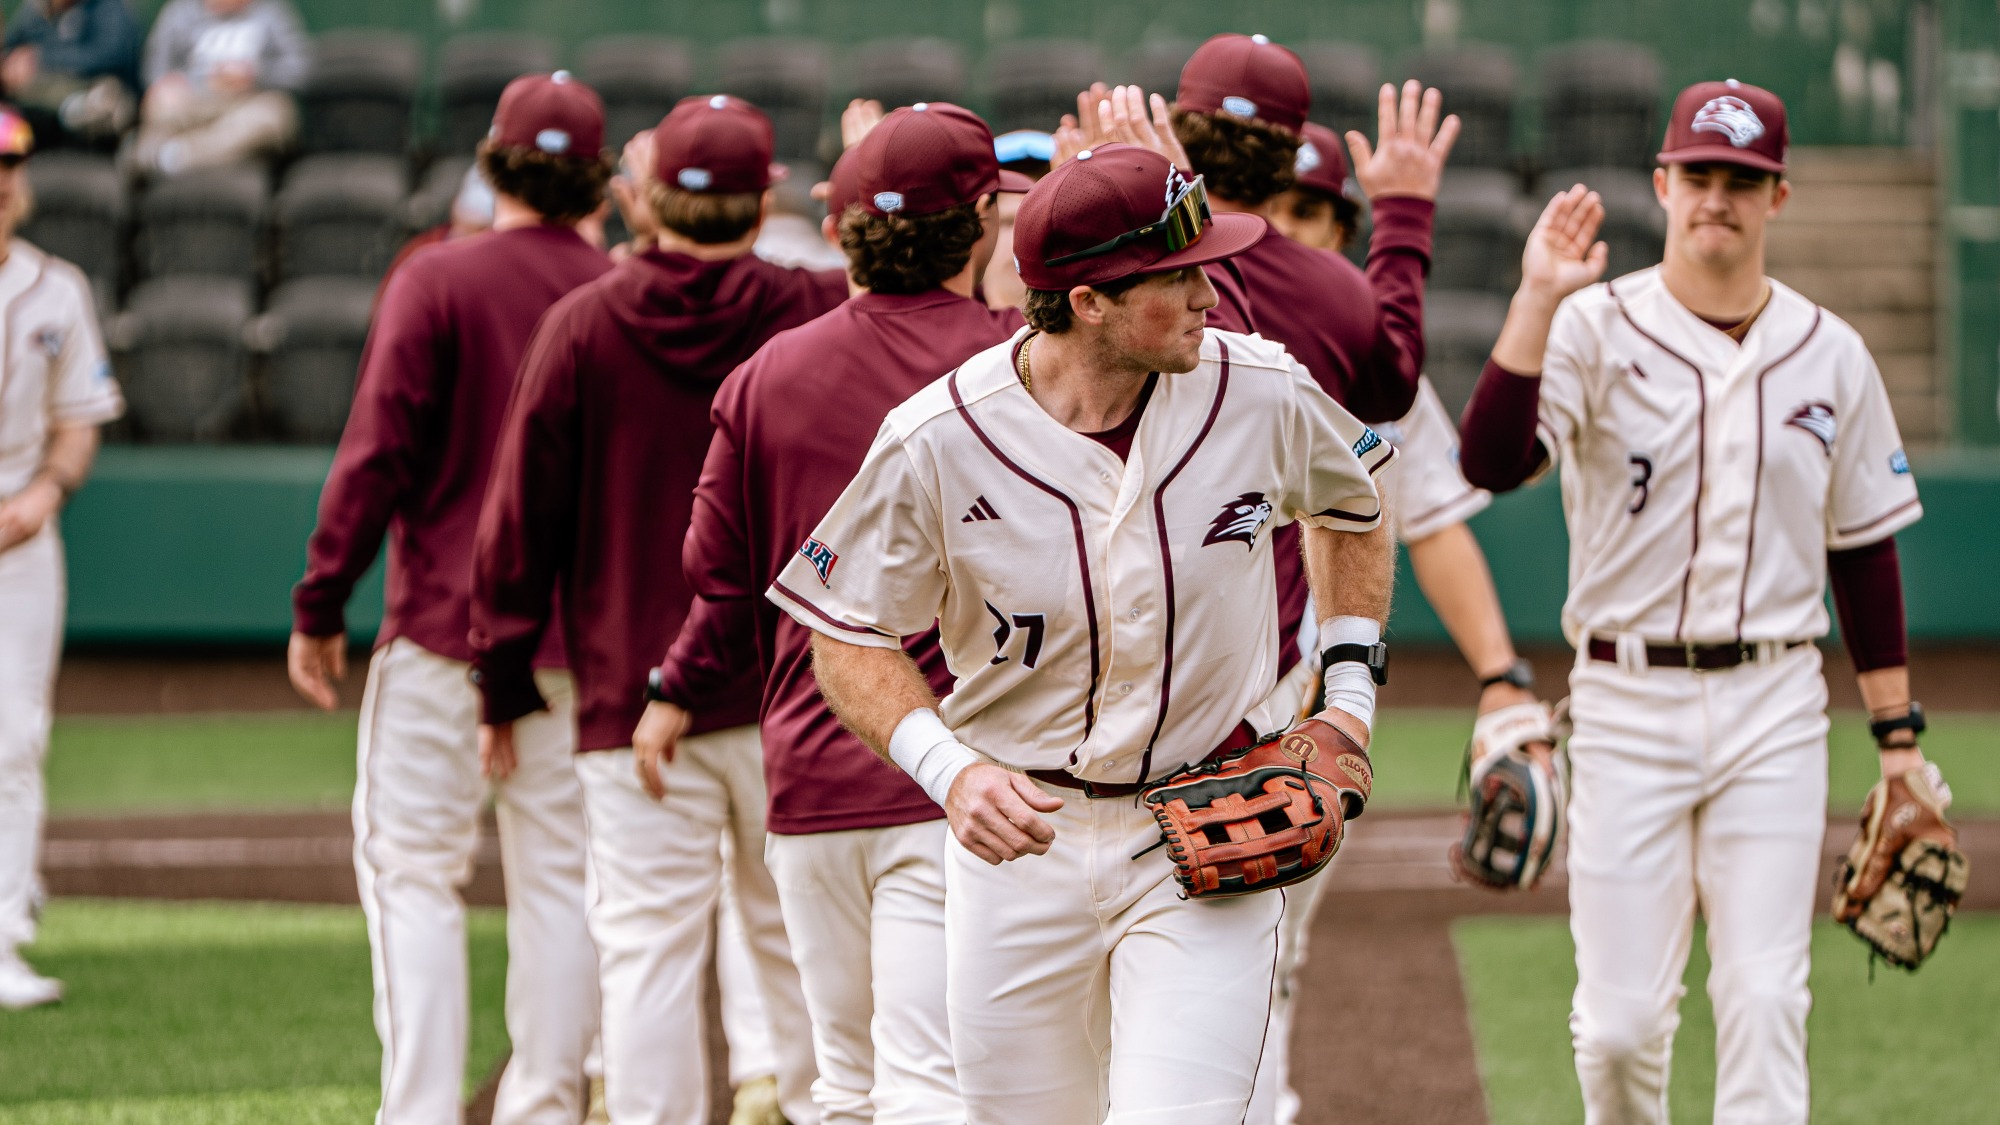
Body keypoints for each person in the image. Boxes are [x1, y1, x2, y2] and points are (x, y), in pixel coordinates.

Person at [770, 142, 1398, 1124]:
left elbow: (1355, 505)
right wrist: (949, 771)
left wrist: (1349, 694)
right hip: (1020, 849)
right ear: (1088, 299)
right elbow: (846, 631)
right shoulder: (937, 435)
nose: (1209, 295)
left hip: (1204, 827)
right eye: (1177, 275)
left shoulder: (1260, 387)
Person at [1457, 80, 1942, 1124]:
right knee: (1619, 1028)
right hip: (1627, 703)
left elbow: (1861, 551)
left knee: (1765, 998)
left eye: (1741, 179)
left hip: (1773, 706)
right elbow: (1489, 461)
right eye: (1699, 175)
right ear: (1662, 185)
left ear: (1777, 198)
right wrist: (1534, 298)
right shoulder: (1591, 324)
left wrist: (1896, 741)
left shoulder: (1831, 351)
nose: (1716, 196)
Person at [635, 101, 1031, 1125]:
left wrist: (674, 690)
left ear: (846, 224)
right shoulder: (1014, 367)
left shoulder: (768, 374)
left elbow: (712, 571)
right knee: (929, 1084)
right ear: (980, 219)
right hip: (956, 775)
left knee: (839, 1088)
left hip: (808, 774)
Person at [468, 93, 846, 1125]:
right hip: (793, 693)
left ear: (641, 196)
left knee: (645, 955)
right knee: (798, 945)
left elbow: (517, 527)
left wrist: (500, 677)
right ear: (764, 197)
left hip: (630, 698)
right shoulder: (810, 306)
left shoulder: (582, 322)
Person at [287, 73, 611, 1124]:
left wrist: (321, 598)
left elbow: (376, 453)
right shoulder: (616, 288)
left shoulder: (436, 278)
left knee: (415, 878)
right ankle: (545, 1109)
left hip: (439, 634)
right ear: (596, 177)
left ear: (492, 162)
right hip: (574, 648)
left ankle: (420, 1111)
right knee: (561, 885)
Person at [1250, 116, 1556, 1125]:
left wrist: (1502, 676)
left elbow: (1430, 522)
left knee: (1270, 952)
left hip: (1303, 706)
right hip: (1171, 699)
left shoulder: (1367, 362)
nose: (1292, 230)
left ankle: (1266, 1104)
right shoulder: (1180, 340)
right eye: (1275, 207)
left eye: (1314, 212)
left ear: (1342, 232)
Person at [0, 107, 120, 1010]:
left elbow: (78, 421)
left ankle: (2, 932)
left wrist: (41, 497)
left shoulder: (57, 286)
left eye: (13, 163)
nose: (3, 178)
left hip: (19, 537)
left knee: (15, 737)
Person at [133, 0, 307, 175]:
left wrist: (255, 75)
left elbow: (300, 69)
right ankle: (170, 154)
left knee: (277, 116)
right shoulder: (180, 12)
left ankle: (173, 156)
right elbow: (155, 70)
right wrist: (179, 83)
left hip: (248, 105)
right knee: (162, 100)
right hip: (193, 104)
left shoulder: (271, 12)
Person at [2, 0, 141, 147]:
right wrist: (13, 63)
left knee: (105, 101)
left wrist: (41, 58)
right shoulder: (39, 8)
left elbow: (110, 56)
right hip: (38, 90)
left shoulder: (108, 7)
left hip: (91, 88)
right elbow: (13, 44)